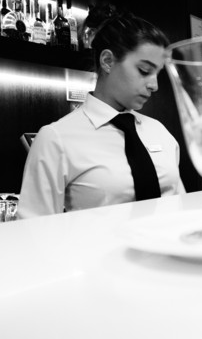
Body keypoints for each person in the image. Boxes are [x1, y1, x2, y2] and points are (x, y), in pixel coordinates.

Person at [18, 11, 185, 218]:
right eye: (144, 71)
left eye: (157, 73)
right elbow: (35, 228)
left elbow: (181, 208)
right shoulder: (56, 139)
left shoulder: (159, 131)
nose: (154, 85)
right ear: (107, 61)